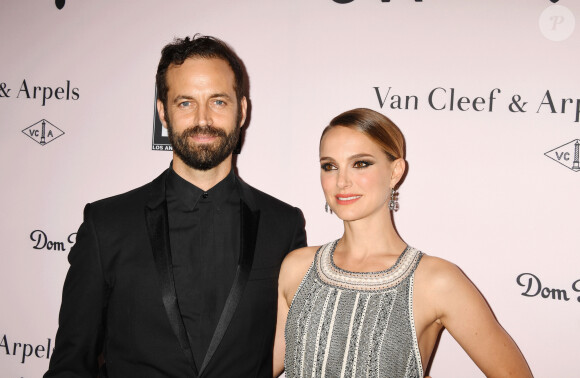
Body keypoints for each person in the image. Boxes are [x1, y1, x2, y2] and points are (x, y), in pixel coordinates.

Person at [44, 35, 306, 378]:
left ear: (242, 110)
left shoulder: (283, 225)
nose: (202, 119)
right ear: (162, 112)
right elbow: (70, 365)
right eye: (185, 103)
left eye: (218, 102)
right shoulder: (106, 224)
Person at [273, 108, 532, 377]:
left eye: (361, 163)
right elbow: (259, 367)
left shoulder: (436, 280)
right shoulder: (297, 267)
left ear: (395, 171)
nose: (342, 181)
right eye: (330, 166)